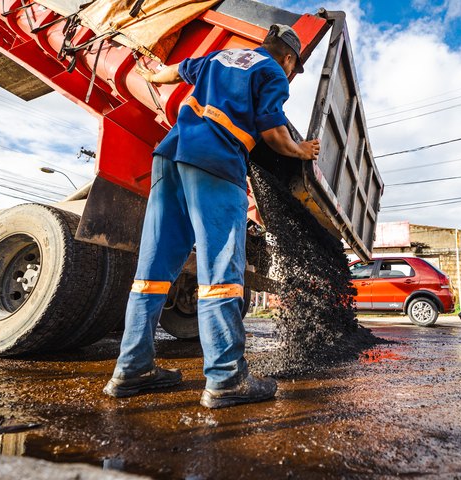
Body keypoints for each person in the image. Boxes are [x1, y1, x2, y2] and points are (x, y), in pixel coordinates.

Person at [103, 25, 320, 408]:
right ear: (288, 58)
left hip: (170, 157)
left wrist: (149, 74)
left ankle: (132, 368)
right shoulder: (271, 72)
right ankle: (226, 378)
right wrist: (301, 150)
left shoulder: (222, 56)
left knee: (152, 273)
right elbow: (272, 131)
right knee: (221, 272)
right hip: (215, 163)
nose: (290, 75)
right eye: (293, 68)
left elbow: (173, 71)